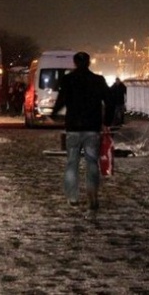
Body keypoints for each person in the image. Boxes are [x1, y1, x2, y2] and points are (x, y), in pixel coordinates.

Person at [50, 51, 114, 211]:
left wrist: (53, 114)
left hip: (73, 127)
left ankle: (73, 198)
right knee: (92, 162)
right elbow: (110, 101)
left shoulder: (68, 80)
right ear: (89, 63)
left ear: (74, 63)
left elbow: (62, 100)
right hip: (92, 127)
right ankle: (92, 192)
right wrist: (107, 122)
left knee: (72, 163)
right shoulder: (98, 80)